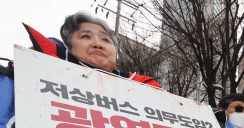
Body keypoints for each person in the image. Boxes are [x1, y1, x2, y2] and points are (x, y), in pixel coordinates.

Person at [23, 12, 161, 87]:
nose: (97, 44)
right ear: (69, 48)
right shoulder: (30, 71)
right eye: (86, 36)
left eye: (105, 40)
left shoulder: (145, 88)